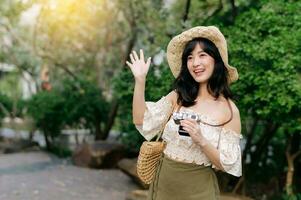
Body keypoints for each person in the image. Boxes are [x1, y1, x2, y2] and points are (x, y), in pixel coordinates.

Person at [126, 26, 243, 200]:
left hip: (199, 189)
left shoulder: (229, 110)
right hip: (164, 184)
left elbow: (228, 164)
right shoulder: (178, 97)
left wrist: (201, 140)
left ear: (216, 60)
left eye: (202, 55)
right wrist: (140, 80)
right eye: (190, 57)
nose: (195, 63)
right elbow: (140, 120)